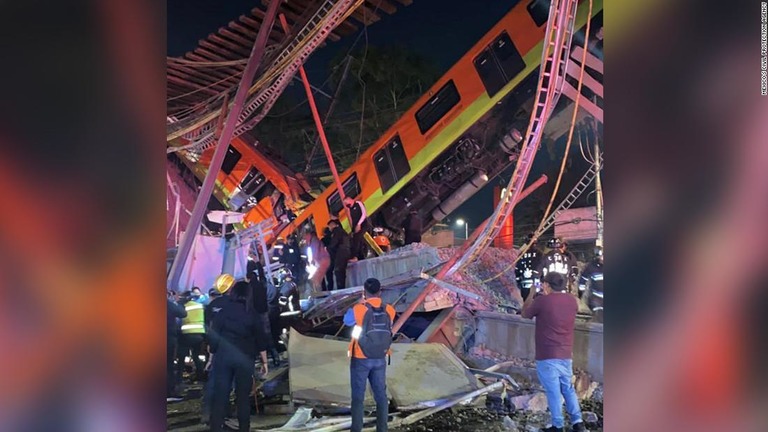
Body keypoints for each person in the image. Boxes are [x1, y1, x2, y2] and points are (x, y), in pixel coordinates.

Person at [521, 273, 587, 432]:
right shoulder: (571, 301)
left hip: (547, 354)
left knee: (553, 391)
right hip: (565, 354)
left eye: (544, 284)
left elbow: (525, 314)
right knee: (568, 389)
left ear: (547, 285)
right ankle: (578, 422)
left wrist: (531, 294)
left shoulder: (542, 301)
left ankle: (558, 425)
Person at [209, 281, 269, 432]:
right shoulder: (252, 313)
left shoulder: (223, 311)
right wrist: (265, 362)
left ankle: (216, 427)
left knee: (221, 395)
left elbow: (214, 335)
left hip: (223, 357)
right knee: (243, 397)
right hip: (244, 358)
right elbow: (261, 339)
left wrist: (211, 356)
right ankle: (244, 428)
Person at [343, 278, 396, 432]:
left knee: (358, 397)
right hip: (380, 356)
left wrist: (361, 302)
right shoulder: (390, 310)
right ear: (380, 292)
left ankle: (356, 429)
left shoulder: (359, 308)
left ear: (364, 292)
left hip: (360, 357)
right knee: (381, 396)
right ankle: (382, 429)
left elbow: (346, 321)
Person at [201, 274, 234, 425]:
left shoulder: (210, 307)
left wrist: (210, 349)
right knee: (228, 383)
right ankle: (223, 413)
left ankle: (208, 413)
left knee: (213, 381)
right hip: (231, 348)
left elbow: (208, 327)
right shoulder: (234, 305)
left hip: (215, 347)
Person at [178, 290, 207, 383]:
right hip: (200, 334)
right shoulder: (199, 305)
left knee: (181, 356)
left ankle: (179, 377)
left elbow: (178, 321)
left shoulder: (183, 306)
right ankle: (200, 375)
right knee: (196, 355)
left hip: (187, 334)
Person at [167, 292, 187, 402]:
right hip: (167, 338)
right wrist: (178, 303)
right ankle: (169, 392)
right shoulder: (168, 304)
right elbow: (183, 313)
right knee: (168, 366)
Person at [303, 228, 331, 295]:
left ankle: (319, 293)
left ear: (308, 235)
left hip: (322, 261)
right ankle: (319, 292)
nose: (304, 239)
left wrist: (312, 261)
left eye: (305, 236)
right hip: (321, 261)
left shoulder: (314, 242)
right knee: (317, 279)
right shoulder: (313, 241)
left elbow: (315, 252)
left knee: (316, 279)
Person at [343, 196, 372, 260]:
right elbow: (353, 220)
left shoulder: (358, 203)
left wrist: (359, 224)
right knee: (356, 240)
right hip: (356, 227)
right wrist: (353, 230)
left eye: (346, 202)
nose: (346, 205)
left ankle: (355, 257)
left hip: (364, 224)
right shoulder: (350, 209)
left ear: (350, 199)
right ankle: (360, 257)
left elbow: (364, 214)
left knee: (357, 238)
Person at [515, 233, 543, 300]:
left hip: (524, 280)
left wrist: (518, 280)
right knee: (537, 298)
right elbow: (543, 267)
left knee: (526, 298)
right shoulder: (540, 254)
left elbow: (517, 268)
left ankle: (527, 310)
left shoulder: (522, 254)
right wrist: (542, 279)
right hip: (536, 281)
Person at [579, 246, 604, 320]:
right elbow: (583, 279)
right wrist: (580, 292)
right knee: (599, 318)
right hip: (596, 298)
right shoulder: (591, 266)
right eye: (602, 256)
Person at [327, 219, 351, 289]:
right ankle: (342, 287)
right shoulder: (343, 231)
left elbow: (334, 242)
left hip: (341, 252)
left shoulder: (336, 231)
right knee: (342, 270)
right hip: (346, 251)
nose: (329, 228)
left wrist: (327, 248)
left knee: (338, 270)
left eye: (329, 226)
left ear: (332, 225)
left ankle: (341, 288)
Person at [321, 226, 334, 291]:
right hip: (332, 258)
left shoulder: (322, 240)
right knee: (330, 276)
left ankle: (324, 289)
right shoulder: (332, 239)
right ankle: (330, 288)